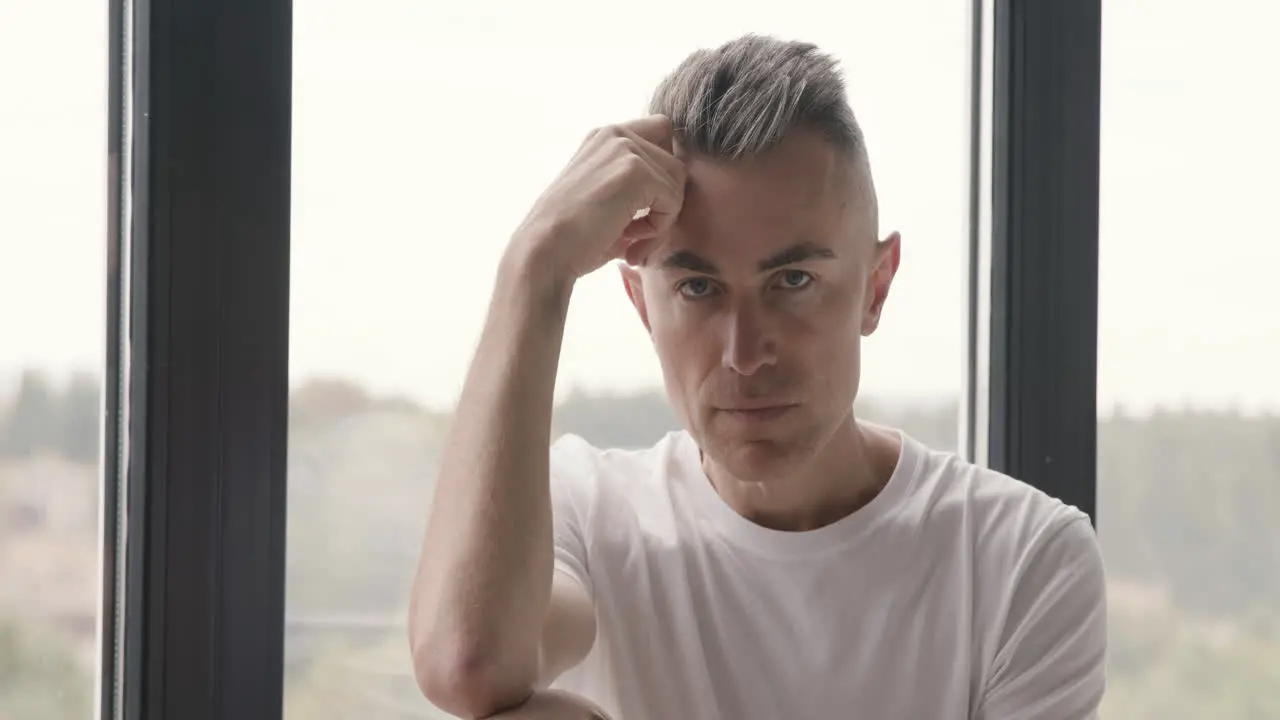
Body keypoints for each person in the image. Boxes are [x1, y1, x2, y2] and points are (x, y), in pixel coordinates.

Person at [408, 33, 1107, 720]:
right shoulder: (589, 517)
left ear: (876, 286)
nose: (745, 353)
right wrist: (535, 269)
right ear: (641, 306)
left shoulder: (1022, 560)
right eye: (697, 289)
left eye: (792, 279)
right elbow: (467, 664)